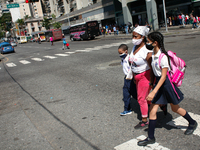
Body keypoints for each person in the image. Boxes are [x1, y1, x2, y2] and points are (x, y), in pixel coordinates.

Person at [137, 31, 198, 146]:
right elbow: (155, 73)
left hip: (166, 86)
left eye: (148, 41)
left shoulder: (163, 57)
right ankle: (151, 137)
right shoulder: (153, 55)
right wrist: (151, 84)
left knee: (175, 108)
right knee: (153, 111)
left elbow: (164, 76)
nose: (146, 43)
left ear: (155, 43)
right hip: (158, 85)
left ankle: (192, 122)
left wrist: (154, 91)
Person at [128, 26, 152, 129]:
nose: (133, 38)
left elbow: (151, 67)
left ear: (142, 37)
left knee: (141, 99)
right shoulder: (134, 47)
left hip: (145, 76)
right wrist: (133, 76)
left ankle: (144, 120)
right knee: (145, 97)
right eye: (133, 36)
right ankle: (160, 105)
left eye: (136, 36)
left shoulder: (146, 50)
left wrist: (151, 81)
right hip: (136, 76)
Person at [118, 44, 137, 116]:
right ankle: (127, 109)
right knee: (126, 94)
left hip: (131, 79)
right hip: (126, 78)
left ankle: (147, 104)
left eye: (121, 53)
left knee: (136, 95)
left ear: (126, 51)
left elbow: (133, 69)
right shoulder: (123, 59)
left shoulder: (130, 59)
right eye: (119, 53)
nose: (120, 54)